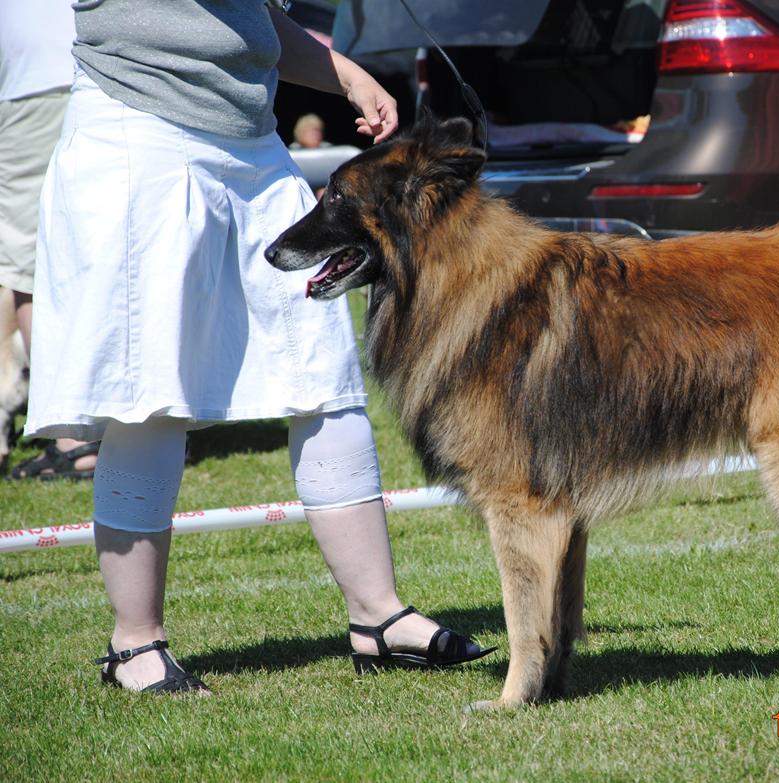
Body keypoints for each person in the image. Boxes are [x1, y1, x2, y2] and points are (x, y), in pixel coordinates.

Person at [25, 0, 494, 693]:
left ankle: (378, 615)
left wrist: (346, 75)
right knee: (150, 394)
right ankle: (134, 645)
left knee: (324, 373)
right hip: (141, 126)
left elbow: (252, 19)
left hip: (250, 141)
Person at [0, 0, 100, 481]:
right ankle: (138, 428)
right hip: (115, 74)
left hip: (35, 82)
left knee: (31, 271)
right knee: (107, 260)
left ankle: (76, 440)